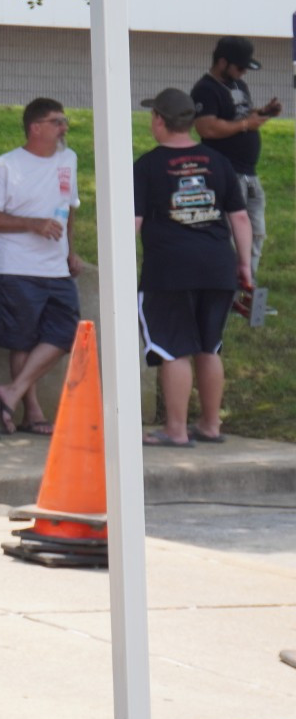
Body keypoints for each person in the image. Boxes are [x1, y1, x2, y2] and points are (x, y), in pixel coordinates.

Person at [134, 87, 252, 446]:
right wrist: (244, 266)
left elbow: (133, 222)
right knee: (209, 346)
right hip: (217, 266)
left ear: (159, 120)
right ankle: (211, 425)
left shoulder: (147, 166)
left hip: (169, 270)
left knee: (173, 348)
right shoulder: (219, 162)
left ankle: (176, 430)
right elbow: (240, 218)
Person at [0, 98, 85, 435]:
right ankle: (32, 413)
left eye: (64, 121)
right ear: (35, 128)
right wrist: (32, 224)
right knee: (22, 341)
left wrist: (71, 251)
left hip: (56, 268)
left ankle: (11, 392)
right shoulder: (6, 166)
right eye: (57, 122)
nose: (64, 128)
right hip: (15, 266)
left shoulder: (69, 159)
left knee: (66, 334)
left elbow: (70, 207)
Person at [190, 36, 281, 298]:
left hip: (249, 172)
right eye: (240, 67)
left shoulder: (238, 84)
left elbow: (242, 116)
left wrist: (264, 113)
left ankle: (247, 287)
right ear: (222, 62)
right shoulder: (206, 89)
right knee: (231, 232)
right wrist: (245, 125)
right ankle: (225, 290)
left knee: (256, 231)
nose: (243, 73)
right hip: (226, 170)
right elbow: (206, 128)